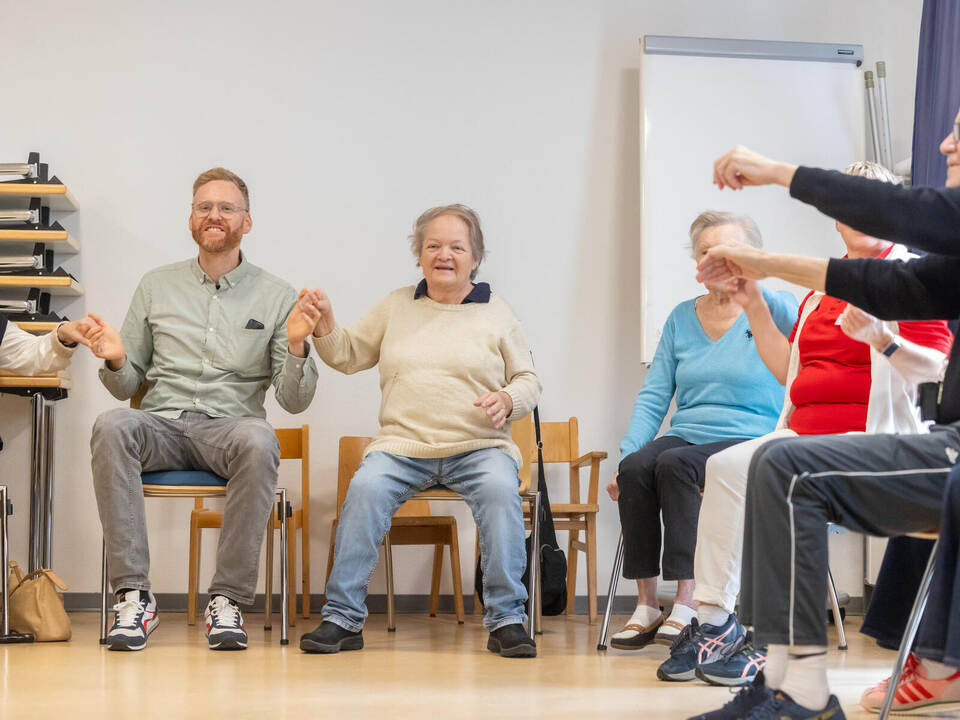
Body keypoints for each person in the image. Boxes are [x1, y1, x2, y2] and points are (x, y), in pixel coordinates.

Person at [688, 107, 960, 720]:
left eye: (959, 133)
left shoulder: (922, 242)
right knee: (774, 464)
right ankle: (779, 674)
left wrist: (774, 172)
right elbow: (870, 286)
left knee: (782, 468)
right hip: (866, 439)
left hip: (922, 444)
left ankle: (813, 685)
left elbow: (901, 264)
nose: (945, 143)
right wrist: (758, 276)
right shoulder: (836, 293)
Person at [85, 167, 320, 652]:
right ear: (191, 219)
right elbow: (125, 385)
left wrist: (298, 346)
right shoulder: (155, 285)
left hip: (230, 430)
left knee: (260, 438)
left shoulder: (278, 296)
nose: (215, 215)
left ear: (247, 222)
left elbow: (293, 401)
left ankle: (227, 600)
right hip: (163, 424)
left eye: (227, 208)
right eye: (204, 207)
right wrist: (116, 358)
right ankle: (134, 597)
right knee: (112, 425)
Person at [298, 204, 542, 658]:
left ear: (475, 257)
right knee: (365, 489)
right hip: (402, 447)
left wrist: (509, 399)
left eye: (456, 247)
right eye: (433, 246)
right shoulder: (396, 306)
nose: (444, 255)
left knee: (499, 491)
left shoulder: (498, 312)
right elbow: (347, 355)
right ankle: (342, 619)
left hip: (479, 447)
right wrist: (325, 321)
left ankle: (507, 620)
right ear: (419, 254)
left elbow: (528, 380)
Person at [606, 211, 796, 651]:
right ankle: (647, 605)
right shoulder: (680, 317)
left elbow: (802, 367)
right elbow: (654, 396)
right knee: (636, 469)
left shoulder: (777, 306)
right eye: (708, 252)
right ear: (697, 261)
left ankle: (688, 601)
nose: (718, 260)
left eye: (730, 250)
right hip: (690, 434)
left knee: (676, 465)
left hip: (751, 435)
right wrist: (627, 453)